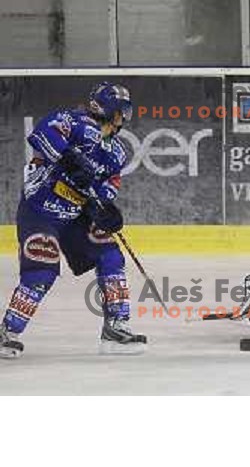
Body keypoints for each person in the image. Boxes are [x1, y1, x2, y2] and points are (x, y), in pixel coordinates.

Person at [0, 82, 146, 359]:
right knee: (41, 270)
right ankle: (7, 331)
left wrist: (103, 209)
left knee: (110, 256)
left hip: (76, 216)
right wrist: (68, 157)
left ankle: (116, 327)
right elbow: (42, 133)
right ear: (107, 109)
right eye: (121, 110)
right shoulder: (74, 122)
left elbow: (108, 185)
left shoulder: (116, 152)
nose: (124, 117)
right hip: (40, 210)